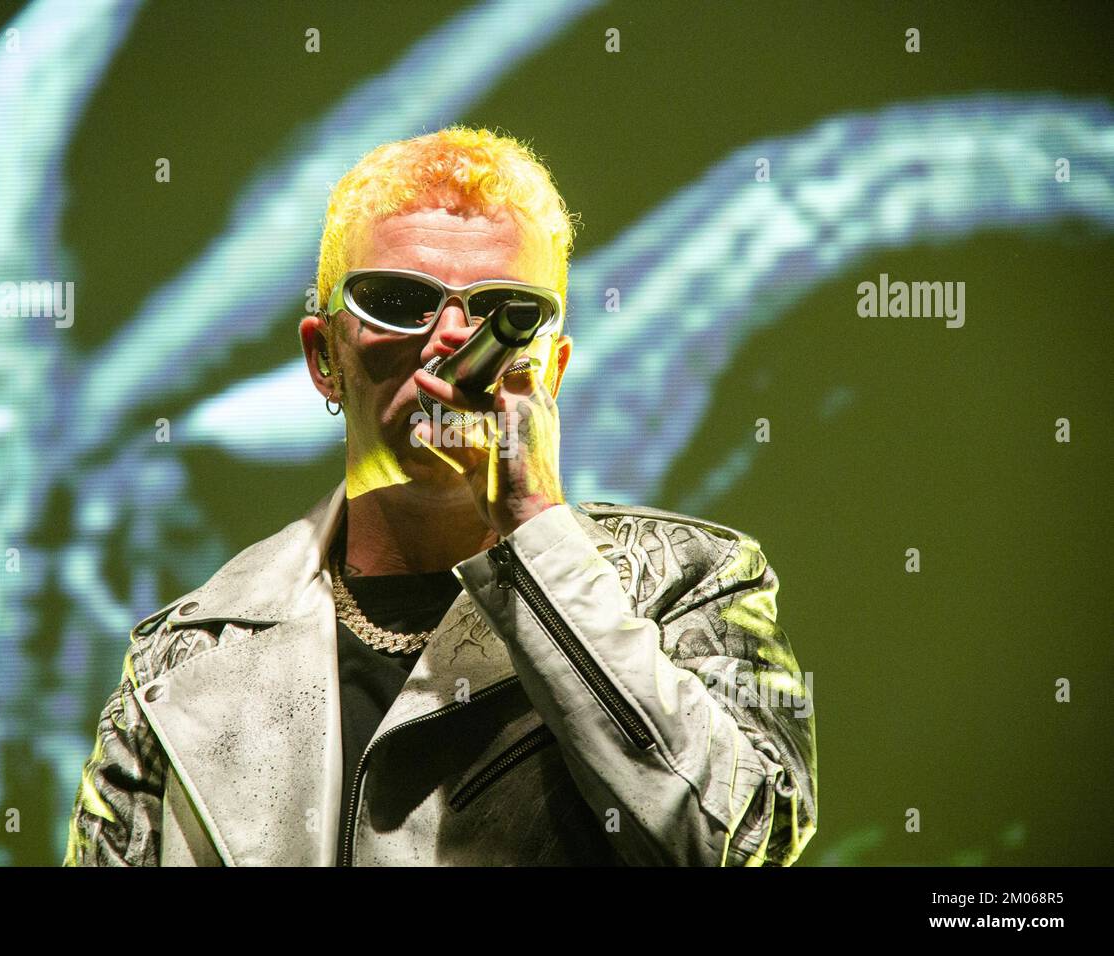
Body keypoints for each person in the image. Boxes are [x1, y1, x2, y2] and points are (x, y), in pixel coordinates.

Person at [63, 125, 818, 866]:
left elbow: (742, 841)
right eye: (398, 299)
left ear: (550, 372)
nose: (453, 339)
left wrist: (534, 530)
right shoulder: (182, 659)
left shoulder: (685, 583)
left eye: (502, 311)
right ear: (324, 356)